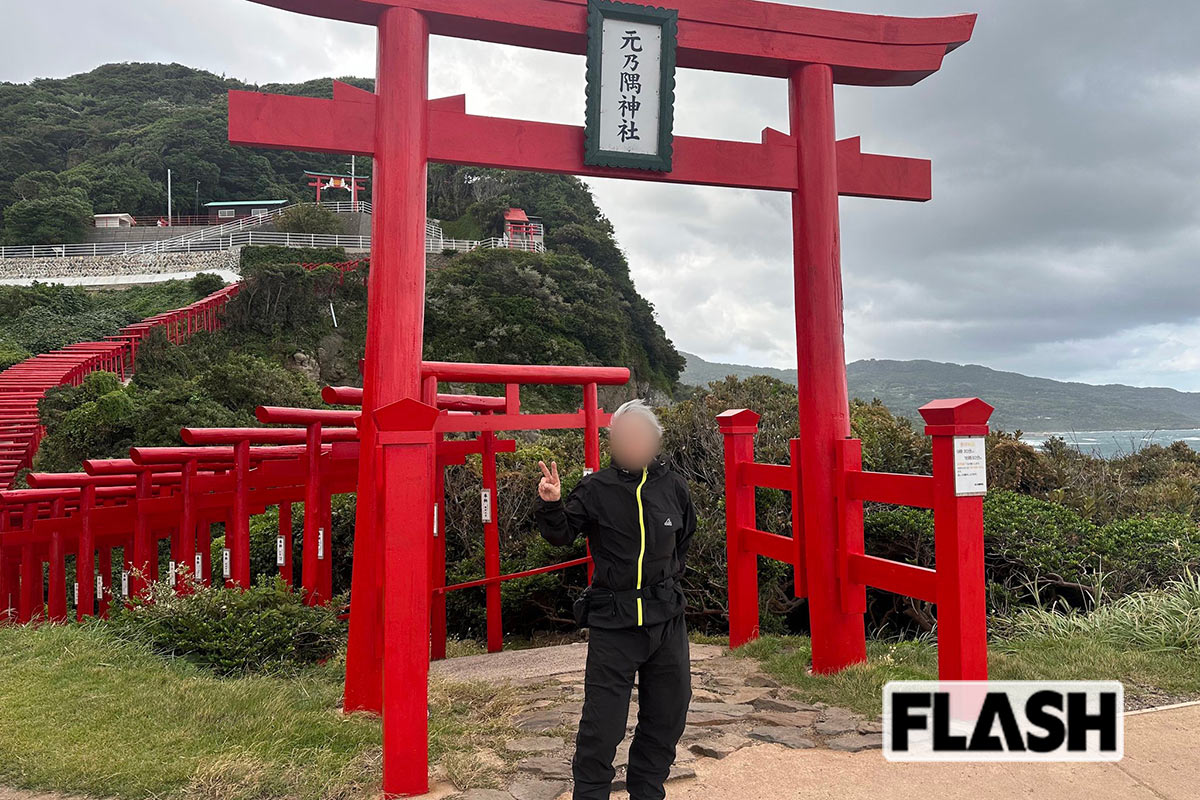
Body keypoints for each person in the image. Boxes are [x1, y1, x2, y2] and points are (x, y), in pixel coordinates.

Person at [535, 398, 696, 800]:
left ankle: (647, 791)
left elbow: (684, 539)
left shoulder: (674, 487)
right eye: (622, 436)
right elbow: (561, 533)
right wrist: (552, 504)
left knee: (667, 717)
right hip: (614, 622)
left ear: (656, 441)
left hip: (666, 620)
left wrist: (665, 584)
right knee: (602, 726)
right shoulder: (596, 488)